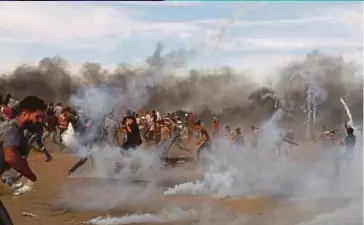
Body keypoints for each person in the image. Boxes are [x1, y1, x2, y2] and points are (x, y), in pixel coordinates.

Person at [0, 95, 46, 224]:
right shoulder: (11, 130)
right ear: (24, 114)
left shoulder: (19, 132)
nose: (40, 120)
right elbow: (11, 157)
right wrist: (31, 175)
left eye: (42, 117)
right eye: (37, 117)